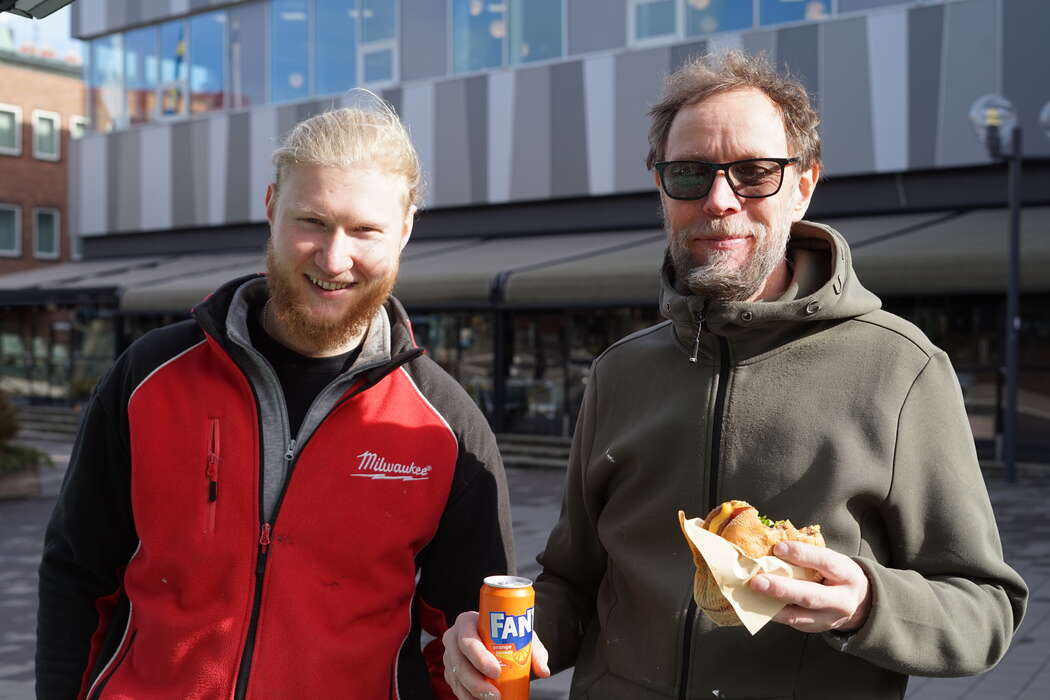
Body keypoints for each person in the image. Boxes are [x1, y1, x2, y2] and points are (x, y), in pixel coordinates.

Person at [442, 51, 1028, 699]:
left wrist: (867, 603)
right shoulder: (620, 372)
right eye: (690, 174)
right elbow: (574, 582)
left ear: (804, 185)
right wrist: (507, 637)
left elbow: (985, 611)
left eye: (754, 173)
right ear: (662, 187)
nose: (719, 201)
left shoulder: (901, 368)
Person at [36, 100, 514, 699]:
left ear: (405, 230)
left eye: (365, 230)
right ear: (271, 207)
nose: (334, 258)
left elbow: (468, 637)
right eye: (312, 221)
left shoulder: (446, 426)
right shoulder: (149, 376)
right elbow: (78, 573)